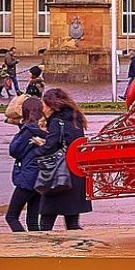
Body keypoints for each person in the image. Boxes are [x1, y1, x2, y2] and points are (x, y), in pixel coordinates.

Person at [37, 87, 93, 231]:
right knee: (72, 223)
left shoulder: (57, 122)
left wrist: (38, 149)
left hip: (59, 175)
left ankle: (47, 251)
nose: (42, 108)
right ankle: (78, 249)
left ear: (51, 105)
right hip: (76, 174)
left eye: (44, 105)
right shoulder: (76, 119)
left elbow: (50, 147)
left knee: (46, 222)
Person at [6, 96, 47, 232]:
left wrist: (21, 131)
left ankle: (24, 242)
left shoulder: (28, 130)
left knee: (11, 216)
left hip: (27, 177)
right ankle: (36, 246)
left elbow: (14, 150)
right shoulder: (43, 128)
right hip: (40, 177)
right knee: (33, 220)